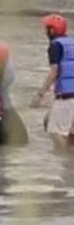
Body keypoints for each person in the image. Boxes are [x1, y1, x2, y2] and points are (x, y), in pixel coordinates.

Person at [32, 14, 74, 150]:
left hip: (66, 97)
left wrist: (40, 94)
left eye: (46, 28)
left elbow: (54, 73)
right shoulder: (71, 43)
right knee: (71, 134)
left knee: (57, 133)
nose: (45, 32)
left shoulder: (55, 46)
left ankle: (64, 162)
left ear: (52, 30)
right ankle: (69, 168)